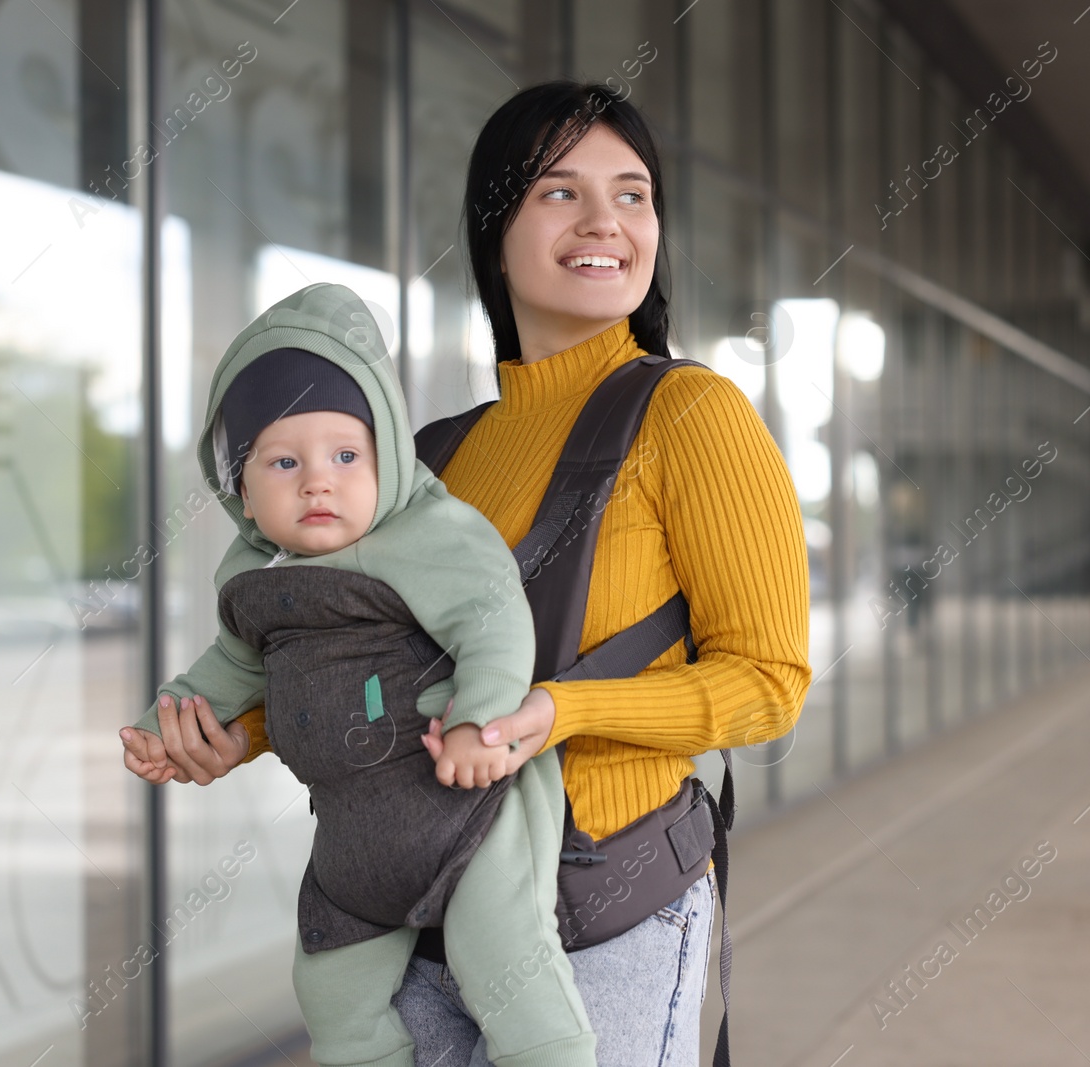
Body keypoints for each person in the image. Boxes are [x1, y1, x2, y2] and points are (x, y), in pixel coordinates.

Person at [141, 80, 812, 1066]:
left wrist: (559, 711)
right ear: (495, 226)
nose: (605, 222)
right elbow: (350, 653)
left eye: (632, 195)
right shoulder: (428, 458)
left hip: (602, 909)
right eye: (559, 192)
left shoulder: (691, 415)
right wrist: (227, 736)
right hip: (416, 921)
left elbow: (768, 683)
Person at [119, 281, 597, 1067]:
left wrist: (481, 721)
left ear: (388, 456)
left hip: (462, 812)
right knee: (332, 996)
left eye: (347, 454)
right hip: (352, 846)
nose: (318, 480)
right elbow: (233, 665)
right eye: (282, 460)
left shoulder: (428, 532)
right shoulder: (254, 579)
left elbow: (494, 619)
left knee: (505, 966)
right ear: (240, 486)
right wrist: (168, 717)